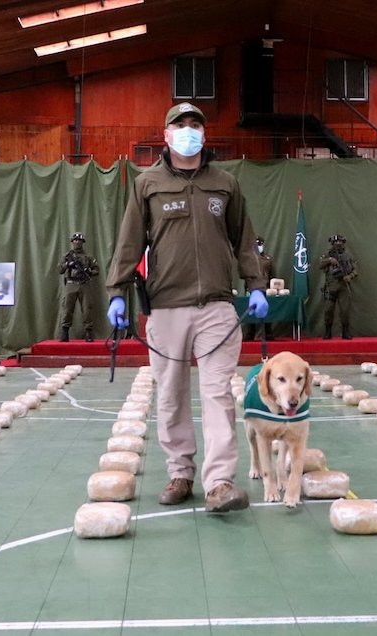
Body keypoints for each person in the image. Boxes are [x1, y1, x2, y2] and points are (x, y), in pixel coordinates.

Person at [105, 101, 269, 513]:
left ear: (204, 134)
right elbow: (129, 242)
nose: (188, 131)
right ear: (166, 135)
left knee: (218, 395)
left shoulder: (225, 183)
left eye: (195, 124)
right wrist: (116, 292)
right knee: (171, 396)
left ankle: (220, 483)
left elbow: (243, 240)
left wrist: (256, 285)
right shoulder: (147, 184)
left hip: (217, 306)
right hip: (166, 307)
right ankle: (180, 473)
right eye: (180, 125)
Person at [58, 232, 100, 341]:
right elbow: (60, 270)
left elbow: (96, 270)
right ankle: (64, 332)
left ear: (83, 242)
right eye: (75, 240)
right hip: (71, 283)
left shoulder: (88, 256)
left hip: (84, 284)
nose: (77, 242)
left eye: (79, 240)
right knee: (67, 308)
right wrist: (68, 264)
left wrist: (89, 271)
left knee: (87, 309)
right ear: (72, 242)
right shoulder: (67, 256)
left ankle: (89, 333)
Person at [318, 233, 357, 339]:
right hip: (330, 286)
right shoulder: (327, 255)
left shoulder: (348, 256)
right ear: (332, 243)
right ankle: (327, 332)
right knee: (328, 310)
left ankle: (345, 332)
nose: (338, 244)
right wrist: (329, 260)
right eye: (335, 242)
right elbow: (320, 265)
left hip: (343, 286)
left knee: (345, 310)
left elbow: (355, 270)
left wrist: (349, 276)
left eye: (340, 242)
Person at [243, 235, 274, 341]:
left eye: (260, 245)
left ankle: (268, 333)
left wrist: (271, 287)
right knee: (251, 311)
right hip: (252, 289)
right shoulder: (250, 259)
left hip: (266, 289)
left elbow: (272, 275)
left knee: (266, 310)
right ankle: (249, 333)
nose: (258, 247)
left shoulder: (268, 259)